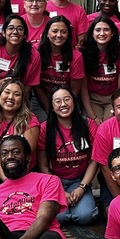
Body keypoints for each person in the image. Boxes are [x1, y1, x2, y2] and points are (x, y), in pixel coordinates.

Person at [38, 87, 99, 225]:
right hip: (55, 181)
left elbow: (94, 160)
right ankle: (69, 210)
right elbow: (43, 166)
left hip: (80, 180)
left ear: (74, 102)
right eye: (58, 101)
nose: (63, 104)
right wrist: (58, 189)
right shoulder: (45, 128)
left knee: (85, 216)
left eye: (67, 99)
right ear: (52, 107)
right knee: (59, 218)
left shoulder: (88, 124)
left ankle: (77, 206)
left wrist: (82, 187)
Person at [0, 78, 40, 200]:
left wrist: (21, 185)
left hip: (24, 173)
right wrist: (9, 184)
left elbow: (28, 155)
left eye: (17, 94)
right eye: (7, 92)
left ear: (22, 100)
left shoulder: (30, 119)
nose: (11, 97)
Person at [0, 13, 41, 106]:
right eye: (11, 28)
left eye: (20, 29)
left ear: (25, 34)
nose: (15, 32)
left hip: (19, 98)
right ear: (3, 32)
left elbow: (29, 85)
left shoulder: (33, 54)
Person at [79, 15, 120, 122]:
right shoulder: (83, 52)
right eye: (98, 30)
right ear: (92, 33)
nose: (102, 33)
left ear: (112, 33)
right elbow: (83, 88)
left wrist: (113, 111)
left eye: (106, 30)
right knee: (94, 127)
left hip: (113, 98)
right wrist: (93, 117)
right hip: (92, 99)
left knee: (110, 124)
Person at [35, 16, 84, 116]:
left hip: (67, 98)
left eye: (63, 32)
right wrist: (49, 109)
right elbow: (36, 85)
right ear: (47, 33)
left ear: (68, 35)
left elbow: (75, 90)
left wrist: (62, 106)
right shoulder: (36, 51)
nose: (59, 35)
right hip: (42, 97)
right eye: (55, 31)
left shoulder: (76, 56)